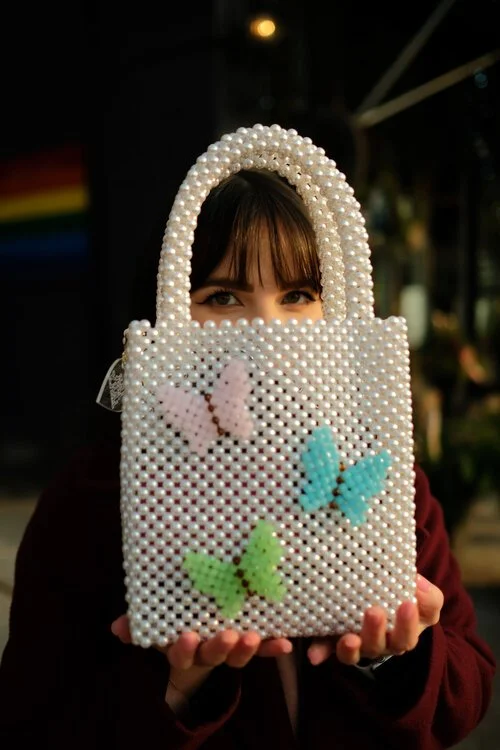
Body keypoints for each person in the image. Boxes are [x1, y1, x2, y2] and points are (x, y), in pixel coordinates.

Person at [0, 168, 495, 749]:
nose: (267, 329)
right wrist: (175, 689)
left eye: (298, 296)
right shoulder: (93, 499)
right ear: (164, 314)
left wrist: (397, 659)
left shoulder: (378, 475)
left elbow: (468, 686)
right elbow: (31, 722)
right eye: (223, 297)